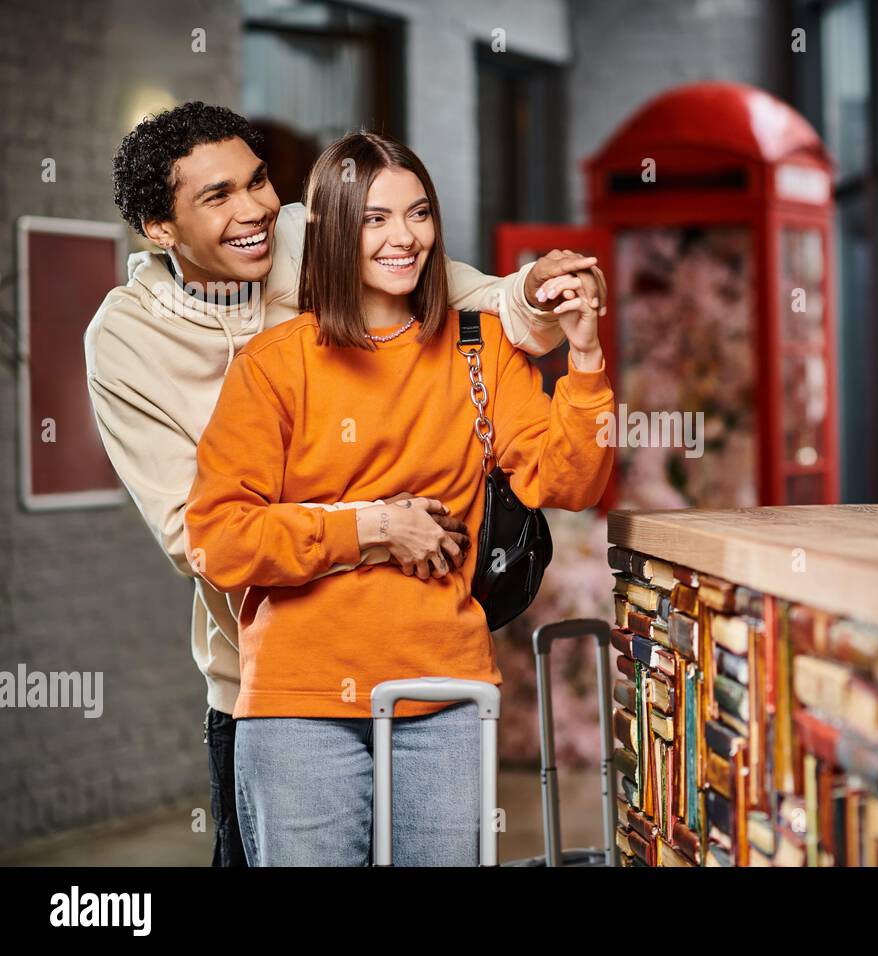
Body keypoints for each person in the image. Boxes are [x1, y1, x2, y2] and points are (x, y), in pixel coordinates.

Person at [84, 102, 605, 866]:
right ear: (162, 229)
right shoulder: (136, 342)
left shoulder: (305, 232)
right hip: (267, 678)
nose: (256, 209)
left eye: (258, 181)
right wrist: (375, 526)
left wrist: (553, 315)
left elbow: (471, 297)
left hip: (440, 676)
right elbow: (199, 538)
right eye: (217, 196)